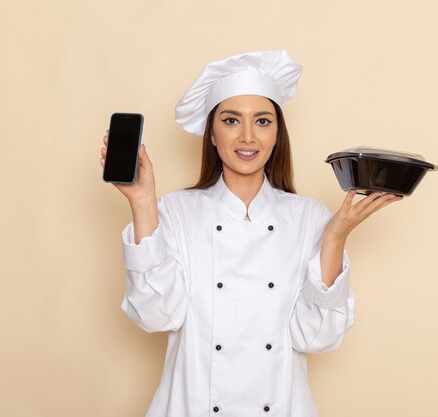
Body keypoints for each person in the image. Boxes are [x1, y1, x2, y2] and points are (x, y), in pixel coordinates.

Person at [100, 49, 401, 417]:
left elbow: (318, 337)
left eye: (262, 121)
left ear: (278, 134)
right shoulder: (175, 212)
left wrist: (335, 236)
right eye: (230, 120)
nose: (247, 137)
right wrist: (143, 202)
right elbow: (155, 316)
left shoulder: (309, 217)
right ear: (211, 134)